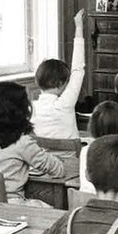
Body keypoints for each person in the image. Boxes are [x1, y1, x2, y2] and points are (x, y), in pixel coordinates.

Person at [0, 82, 64, 204]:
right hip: (11, 206)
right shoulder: (22, 142)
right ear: (20, 111)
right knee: (55, 215)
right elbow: (58, 170)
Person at [31, 9, 85, 139]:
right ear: (61, 83)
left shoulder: (31, 108)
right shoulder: (65, 104)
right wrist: (79, 27)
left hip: (42, 158)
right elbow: (78, 69)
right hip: (70, 158)